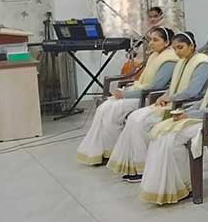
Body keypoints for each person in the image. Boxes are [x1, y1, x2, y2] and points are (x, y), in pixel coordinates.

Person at [139, 33, 208, 205]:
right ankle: (166, 186)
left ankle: (185, 185)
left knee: (173, 137)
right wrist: (186, 111)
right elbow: (207, 100)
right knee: (162, 132)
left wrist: (190, 115)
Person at [106, 31, 208, 182]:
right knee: (134, 118)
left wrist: (170, 98)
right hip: (173, 103)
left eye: (181, 47)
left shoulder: (202, 64)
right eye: (175, 48)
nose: (177, 52)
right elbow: (175, 86)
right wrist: (164, 96)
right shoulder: (183, 61)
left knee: (141, 122)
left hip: (187, 106)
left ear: (192, 46)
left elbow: (192, 91)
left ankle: (146, 168)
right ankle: (138, 165)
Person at [76, 27, 179, 165]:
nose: (151, 43)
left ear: (167, 43)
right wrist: (126, 92)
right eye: (150, 40)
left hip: (149, 97)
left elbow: (155, 87)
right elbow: (143, 82)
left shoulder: (169, 60)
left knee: (114, 110)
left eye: (156, 40)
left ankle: (113, 152)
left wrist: (126, 94)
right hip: (140, 92)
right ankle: (104, 151)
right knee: (104, 108)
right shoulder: (155, 56)